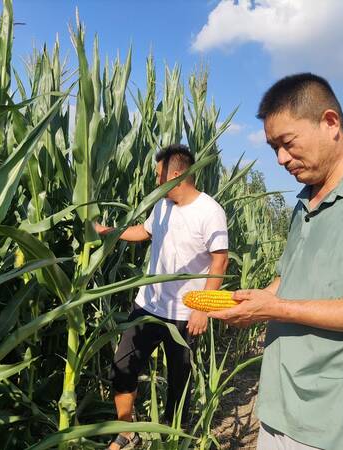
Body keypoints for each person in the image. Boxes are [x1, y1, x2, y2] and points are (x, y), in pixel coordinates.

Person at [209, 73, 343, 450]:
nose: (280, 159)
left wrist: (277, 308)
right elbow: (286, 279)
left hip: (332, 423)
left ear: (330, 123)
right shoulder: (304, 201)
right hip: (277, 408)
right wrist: (254, 303)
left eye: (287, 143)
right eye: (273, 147)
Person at [96, 144, 229, 450]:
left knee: (178, 381)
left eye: (159, 176)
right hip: (148, 305)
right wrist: (107, 231)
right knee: (122, 367)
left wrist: (203, 309)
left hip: (185, 314)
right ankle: (127, 434)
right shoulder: (162, 206)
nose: (156, 182)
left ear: (177, 174)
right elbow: (144, 233)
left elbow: (220, 261)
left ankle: (174, 438)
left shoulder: (210, 211)